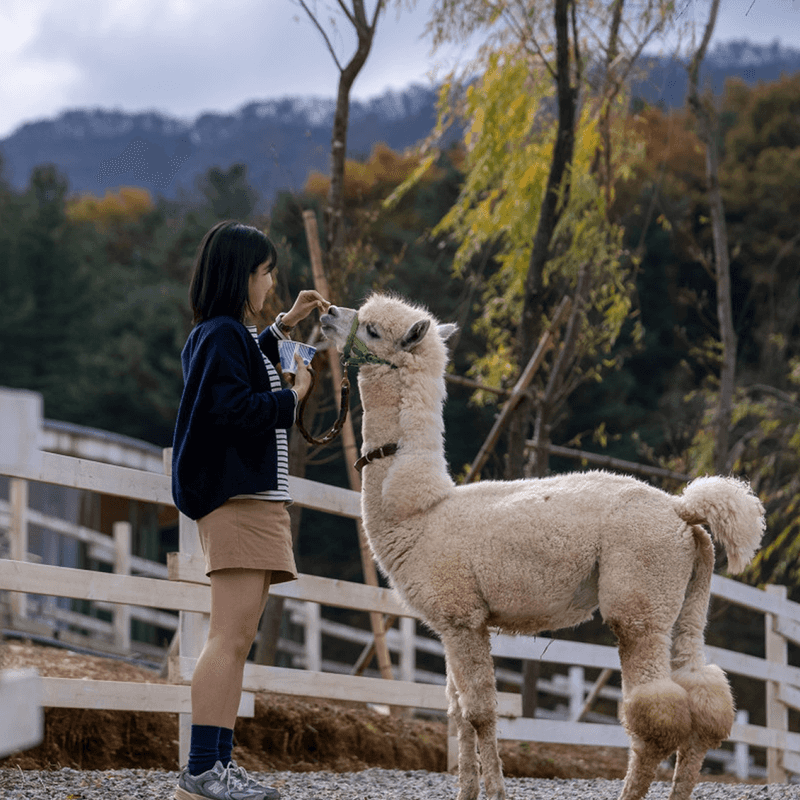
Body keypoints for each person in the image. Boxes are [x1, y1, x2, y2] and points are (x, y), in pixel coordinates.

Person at [171, 220, 329, 800]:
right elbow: (233, 411)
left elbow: (242, 368)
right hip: (238, 504)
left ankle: (216, 764)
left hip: (254, 503)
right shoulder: (220, 335)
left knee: (236, 640)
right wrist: (294, 395)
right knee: (228, 638)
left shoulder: (226, 336)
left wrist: (285, 326)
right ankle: (202, 770)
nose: (271, 284)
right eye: (265, 273)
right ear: (242, 276)